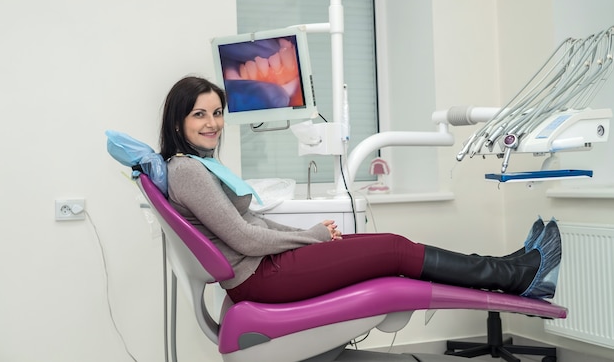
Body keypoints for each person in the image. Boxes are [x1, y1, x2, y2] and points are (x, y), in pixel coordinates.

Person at [160, 76, 562, 304]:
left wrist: (308, 239)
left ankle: (510, 268)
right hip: (261, 277)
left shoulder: (197, 164)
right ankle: (514, 276)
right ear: (178, 122)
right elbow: (244, 237)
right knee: (393, 249)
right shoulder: (188, 170)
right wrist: (311, 237)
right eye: (199, 115)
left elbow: (246, 223)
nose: (212, 123)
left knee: (393, 248)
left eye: (216, 113)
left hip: (263, 270)